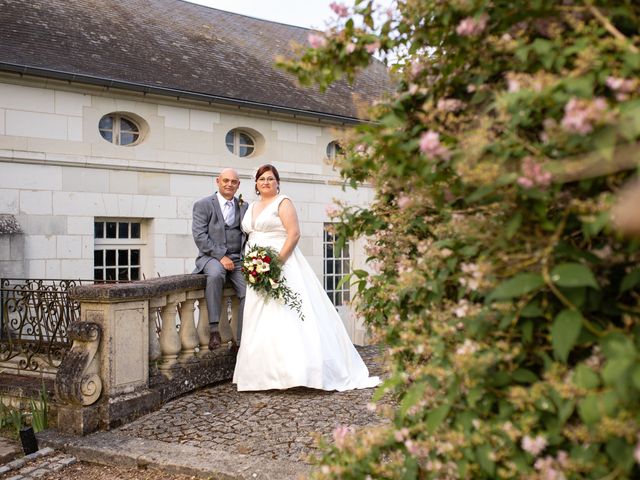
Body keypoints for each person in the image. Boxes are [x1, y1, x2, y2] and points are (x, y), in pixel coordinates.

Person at [233, 164, 380, 391]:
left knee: (288, 313)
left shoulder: (283, 202)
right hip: (256, 267)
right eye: (262, 179)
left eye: (270, 179)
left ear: (277, 182)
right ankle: (262, 376)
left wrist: (275, 264)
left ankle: (297, 372)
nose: (266, 182)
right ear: (256, 184)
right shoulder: (251, 206)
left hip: (281, 263)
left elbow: (294, 234)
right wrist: (254, 265)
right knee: (260, 317)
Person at [192, 168, 248, 349]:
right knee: (215, 275)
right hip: (210, 258)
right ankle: (214, 330)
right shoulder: (203, 204)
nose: (229, 184)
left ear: (238, 184)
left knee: (250, 289)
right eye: (226, 181)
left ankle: (240, 340)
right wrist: (220, 256)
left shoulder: (244, 206)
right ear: (218, 181)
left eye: (233, 182)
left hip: (238, 259)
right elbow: (200, 236)